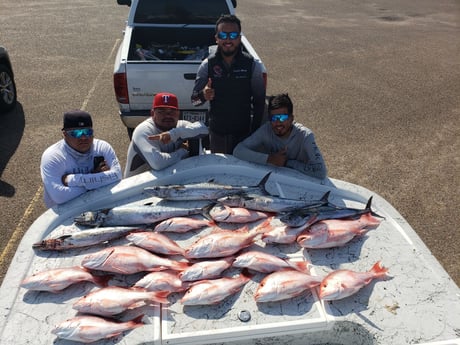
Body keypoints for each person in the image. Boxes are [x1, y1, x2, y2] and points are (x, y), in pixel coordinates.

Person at [191, 14, 266, 154]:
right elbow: (194, 101)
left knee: (242, 172)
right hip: (217, 135)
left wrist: (255, 133)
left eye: (233, 35)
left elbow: (259, 102)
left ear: (239, 37)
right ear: (216, 38)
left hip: (244, 135)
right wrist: (203, 95)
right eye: (223, 35)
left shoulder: (252, 65)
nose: (228, 40)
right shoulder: (207, 65)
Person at [233, 93, 328, 179]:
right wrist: (270, 159)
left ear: (291, 118)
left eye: (282, 118)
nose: (278, 123)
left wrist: (287, 163)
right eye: (274, 118)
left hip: (301, 180)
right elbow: (238, 151)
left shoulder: (305, 136)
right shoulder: (266, 130)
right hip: (275, 178)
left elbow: (321, 172)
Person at [40, 110, 122, 208]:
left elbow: (117, 175)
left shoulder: (102, 147)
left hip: (98, 203)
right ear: (65, 134)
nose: (83, 138)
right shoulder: (53, 156)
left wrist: (72, 180)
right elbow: (59, 196)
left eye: (87, 132)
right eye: (76, 133)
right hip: (66, 211)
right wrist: (97, 180)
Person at [124, 92, 208, 177]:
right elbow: (158, 163)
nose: (168, 116)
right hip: (136, 186)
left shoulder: (180, 126)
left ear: (178, 113)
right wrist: (183, 152)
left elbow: (203, 129)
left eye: (172, 111)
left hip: (165, 182)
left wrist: (174, 134)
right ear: (153, 114)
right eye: (161, 112)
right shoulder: (144, 130)